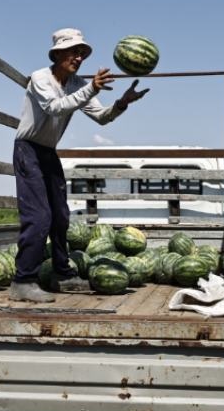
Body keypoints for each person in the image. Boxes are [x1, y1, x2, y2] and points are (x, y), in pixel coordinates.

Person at [9, 28, 149, 303]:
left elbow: (101, 117)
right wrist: (92, 87)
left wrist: (122, 103)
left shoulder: (76, 83)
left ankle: (61, 274)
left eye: (82, 53)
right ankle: (22, 282)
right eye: (74, 51)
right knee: (39, 217)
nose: (79, 57)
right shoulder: (40, 78)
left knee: (60, 216)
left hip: (48, 153)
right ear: (57, 54)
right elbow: (54, 107)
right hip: (28, 150)